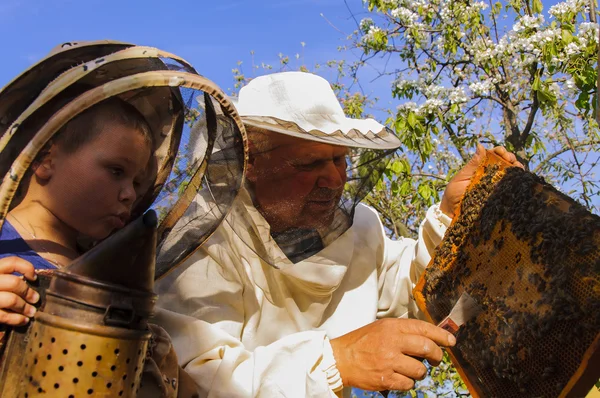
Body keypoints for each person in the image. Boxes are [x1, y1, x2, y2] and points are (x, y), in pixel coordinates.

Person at [154, 71, 522, 397]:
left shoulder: (361, 228)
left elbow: (412, 291)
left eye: (339, 159)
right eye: (310, 163)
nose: (334, 178)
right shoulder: (204, 246)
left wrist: (450, 214)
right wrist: (338, 360)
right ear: (250, 163)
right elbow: (197, 379)